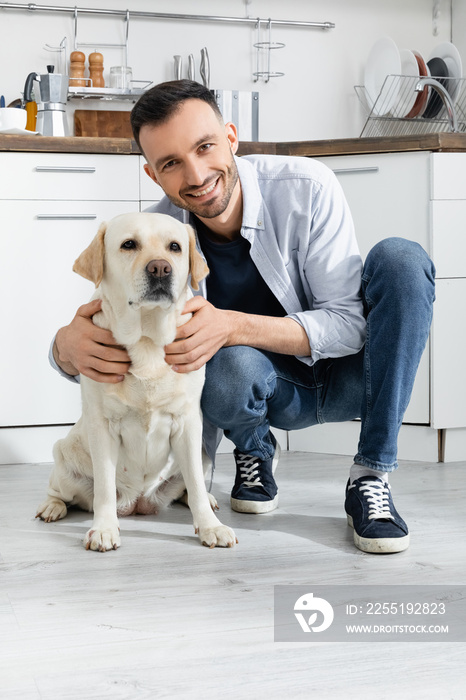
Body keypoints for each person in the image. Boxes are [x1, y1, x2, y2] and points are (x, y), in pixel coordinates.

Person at [50, 80, 435, 555]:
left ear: (231, 138)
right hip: (256, 386)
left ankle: (372, 474)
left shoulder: (307, 187)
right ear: (153, 175)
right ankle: (255, 449)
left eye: (205, 146)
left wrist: (233, 324)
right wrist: (62, 350)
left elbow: (351, 325)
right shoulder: (157, 238)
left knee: (401, 260)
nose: (195, 174)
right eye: (171, 163)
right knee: (221, 363)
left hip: (355, 377)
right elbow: (125, 338)